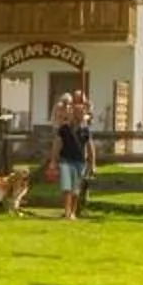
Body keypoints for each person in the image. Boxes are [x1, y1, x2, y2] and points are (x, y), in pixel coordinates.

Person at [54, 90, 94, 220]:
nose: (79, 115)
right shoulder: (64, 128)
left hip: (80, 161)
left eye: (81, 113)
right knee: (67, 187)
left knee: (75, 189)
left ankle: (72, 212)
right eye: (77, 113)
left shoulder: (85, 130)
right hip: (66, 159)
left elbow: (90, 147)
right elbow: (57, 144)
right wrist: (53, 160)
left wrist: (92, 164)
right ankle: (67, 212)